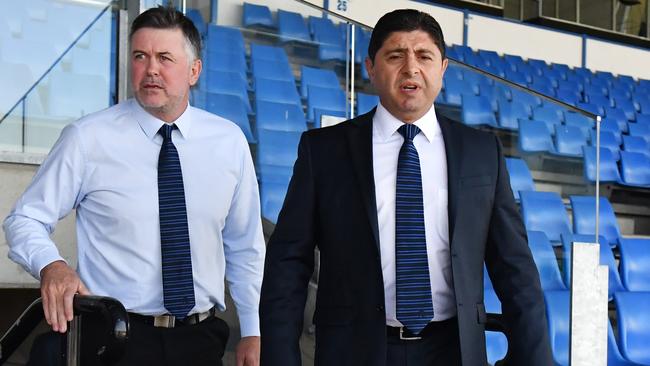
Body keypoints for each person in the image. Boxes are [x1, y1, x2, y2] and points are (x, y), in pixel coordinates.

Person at [260, 9, 552, 366]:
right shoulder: (324, 151)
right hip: (353, 351)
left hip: (453, 350)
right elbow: (287, 265)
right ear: (371, 67)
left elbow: (515, 268)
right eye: (396, 55)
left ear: (442, 69)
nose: (411, 68)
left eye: (424, 56)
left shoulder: (481, 153)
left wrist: (536, 359)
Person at [4, 6, 264, 366]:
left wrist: (252, 329)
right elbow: (24, 219)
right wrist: (53, 265)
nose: (151, 69)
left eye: (164, 58)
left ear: (194, 71)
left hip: (200, 340)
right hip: (113, 338)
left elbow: (245, 245)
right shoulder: (88, 138)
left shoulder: (229, 142)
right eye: (140, 56)